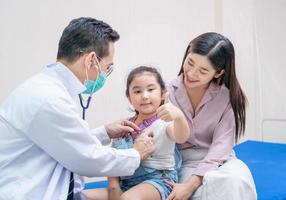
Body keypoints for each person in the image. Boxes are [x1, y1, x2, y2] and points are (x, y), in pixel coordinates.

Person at [0, 17, 155, 200]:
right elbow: (87, 158)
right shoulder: (49, 99)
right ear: (91, 60)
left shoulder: (47, 89)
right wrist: (135, 153)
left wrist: (104, 132)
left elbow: (64, 143)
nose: (104, 75)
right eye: (107, 67)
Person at [165, 32, 257, 200]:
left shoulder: (228, 98)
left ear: (218, 72)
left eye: (203, 70)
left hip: (221, 160)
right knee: (207, 192)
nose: (192, 74)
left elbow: (221, 147)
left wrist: (189, 186)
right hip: (182, 162)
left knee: (235, 180)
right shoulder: (166, 92)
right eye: (190, 63)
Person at [106, 66, 190, 200]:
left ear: (163, 93)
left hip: (157, 182)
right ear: (129, 98)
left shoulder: (165, 123)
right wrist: (113, 188)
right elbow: (114, 159)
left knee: (128, 198)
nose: (145, 96)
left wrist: (179, 117)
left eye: (151, 90)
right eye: (137, 91)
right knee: (80, 195)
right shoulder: (124, 126)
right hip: (126, 184)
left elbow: (181, 136)